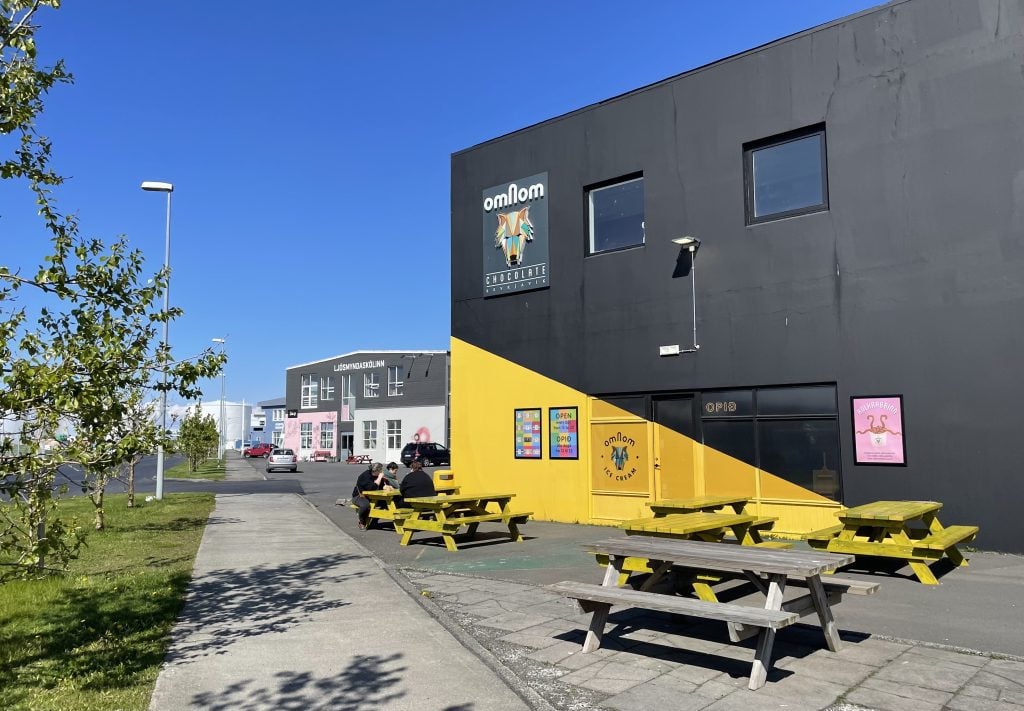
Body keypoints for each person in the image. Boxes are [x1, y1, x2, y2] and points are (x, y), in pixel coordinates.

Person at [352, 462, 393, 530]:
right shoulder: (365, 476)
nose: (382, 472)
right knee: (365, 505)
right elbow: (372, 488)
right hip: (360, 496)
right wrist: (380, 477)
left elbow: (382, 485)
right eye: (380, 470)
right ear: (376, 471)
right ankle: (362, 522)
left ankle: (373, 521)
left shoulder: (377, 475)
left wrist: (387, 486)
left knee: (388, 503)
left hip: (373, 497)